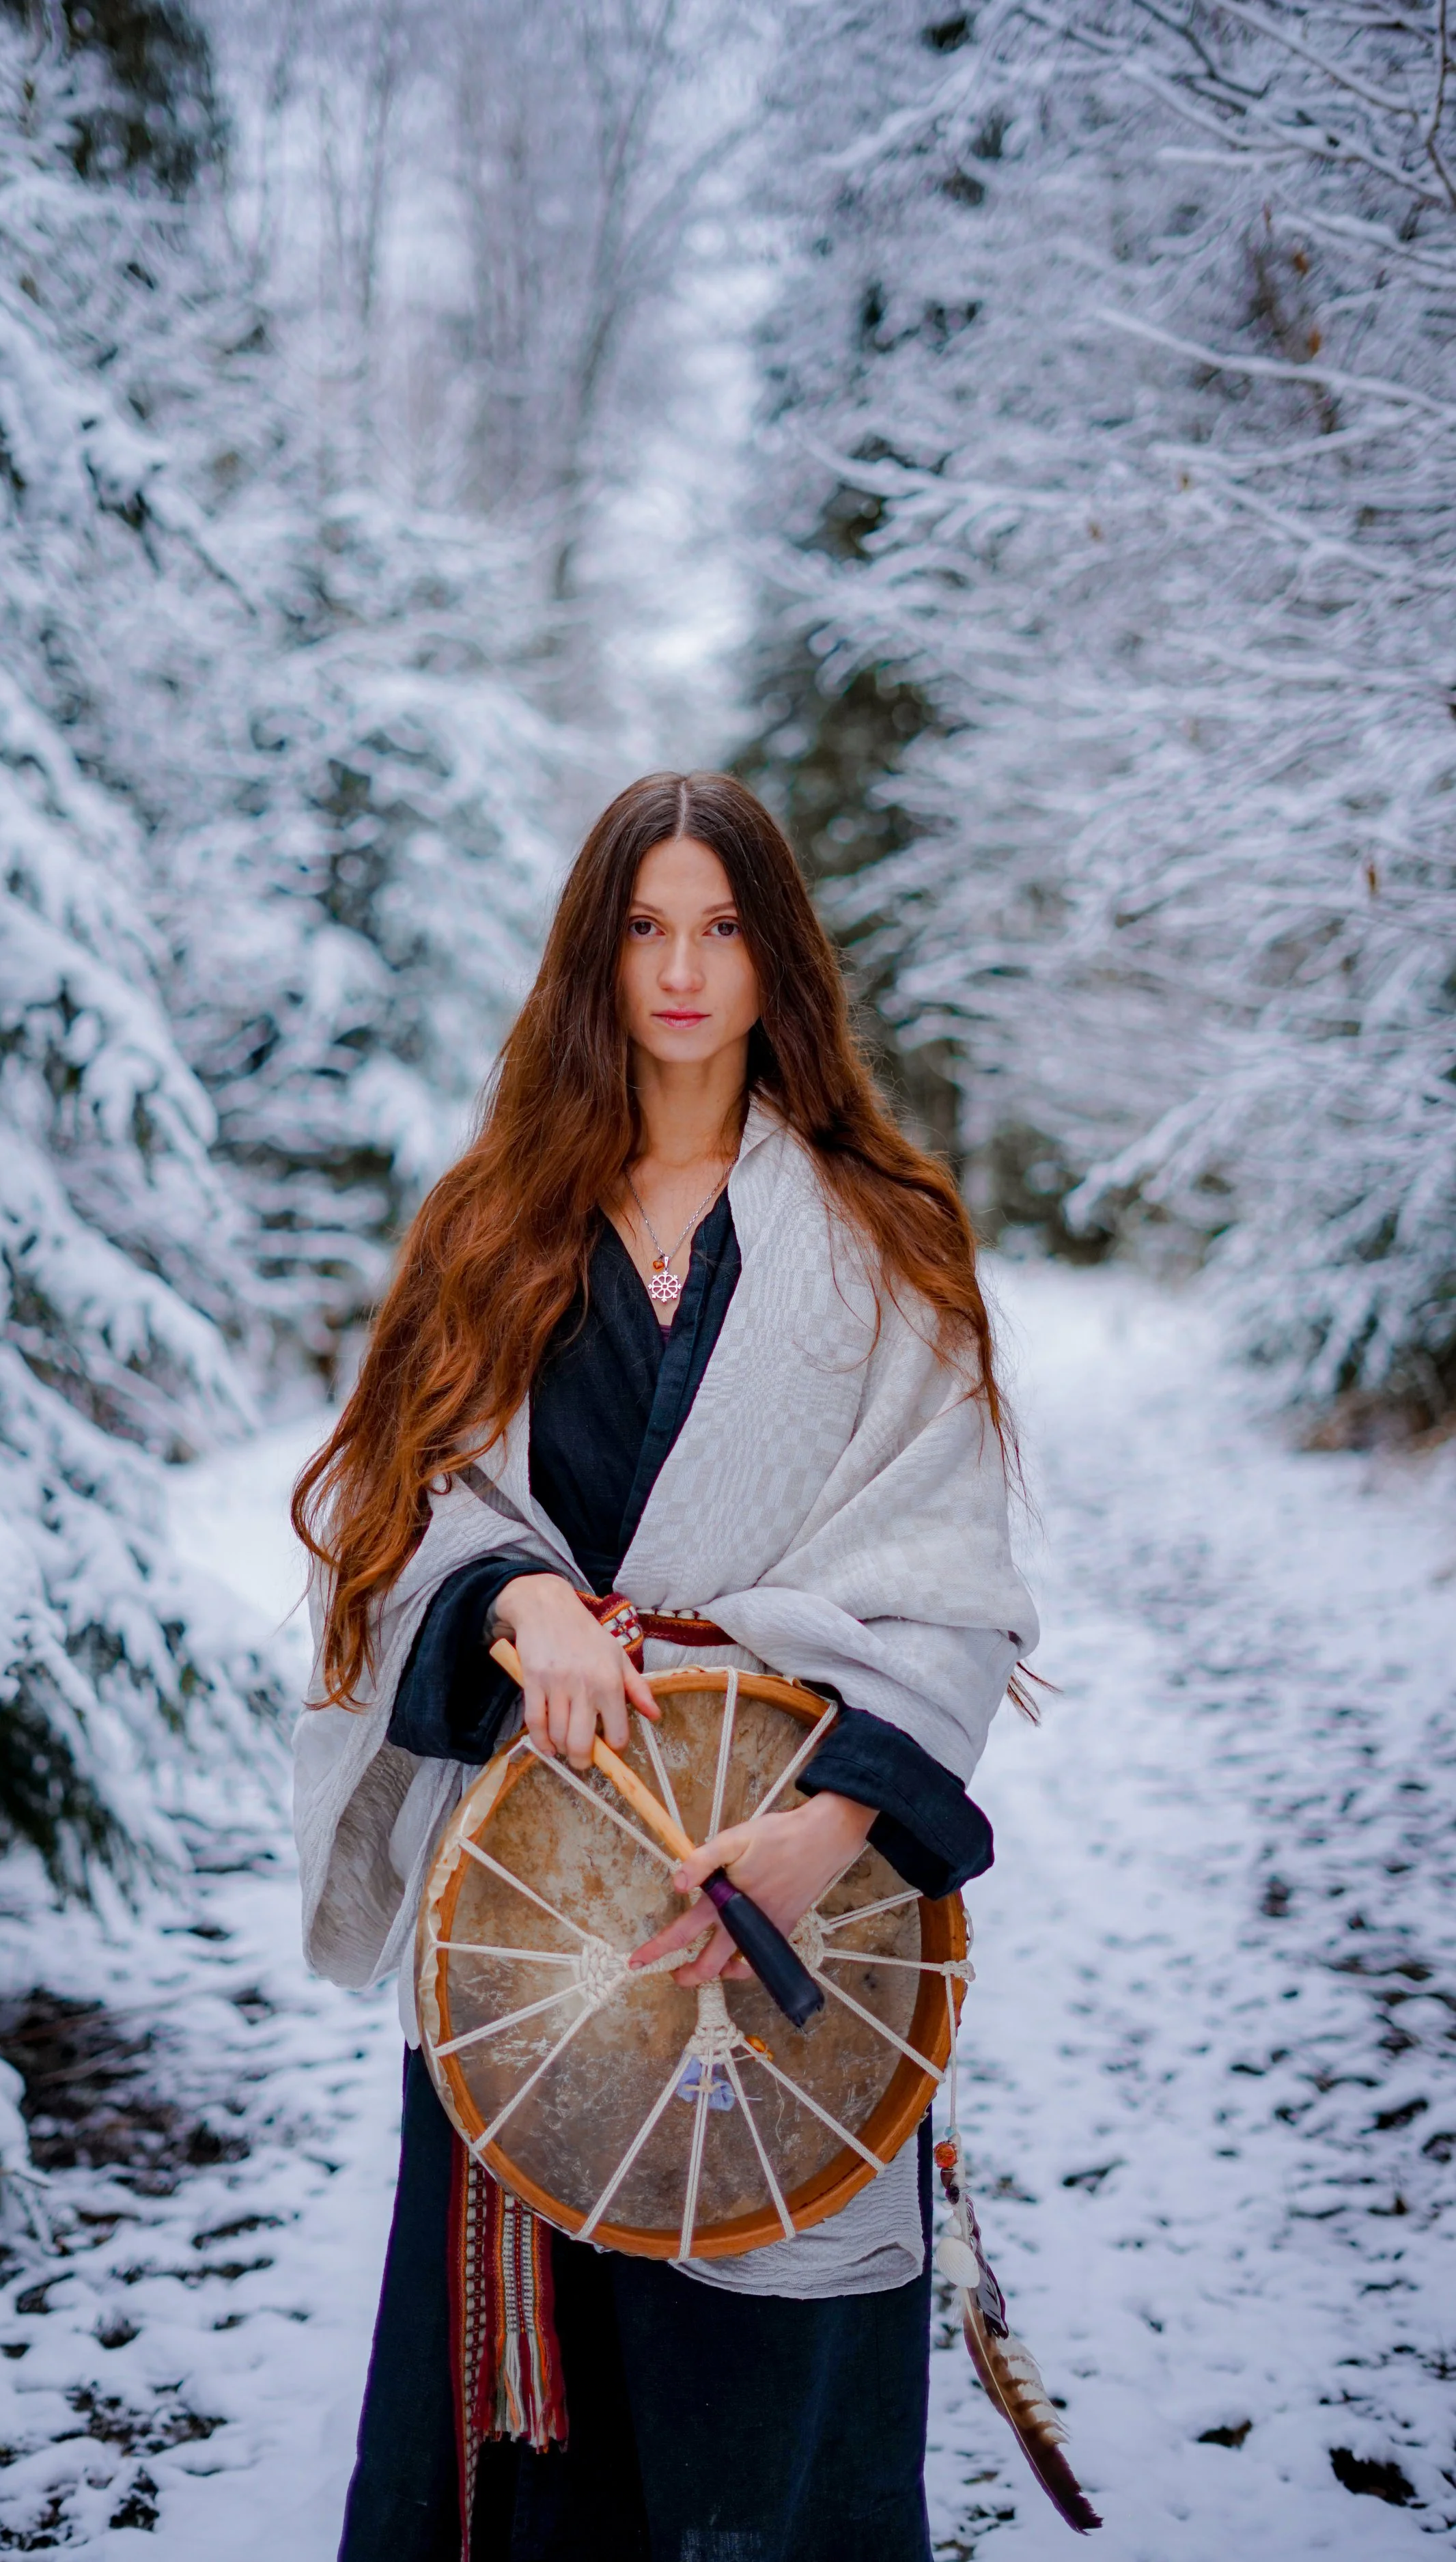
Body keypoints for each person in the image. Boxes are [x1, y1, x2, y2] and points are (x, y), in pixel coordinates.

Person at [292, 771, 1037, 2562]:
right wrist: (512, 1599)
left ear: (777, 958)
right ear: (592, 955)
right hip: (534, 1899)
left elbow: (952, 1577)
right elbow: (390, 1507)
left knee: (755, 2415)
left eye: (719, 926)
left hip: (794, 1887)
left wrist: (828, 1823)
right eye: (644, 927)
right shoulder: (493, 1220)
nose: (681, 968)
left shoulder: (883, 1237)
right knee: (529, 2431)